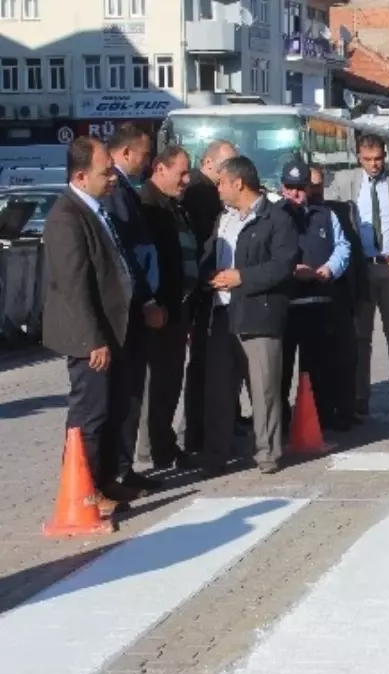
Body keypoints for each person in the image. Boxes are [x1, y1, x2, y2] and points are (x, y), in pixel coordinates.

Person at [43, 136, 149, 512]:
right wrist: (93, 340)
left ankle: (103, 482)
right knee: (91, 415)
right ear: (81, 174)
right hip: (90, 339)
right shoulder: (65, 217)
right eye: (106, 173)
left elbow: (118, 266)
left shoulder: (96, 209)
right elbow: (74, 287)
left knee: (114, 409)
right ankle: (82, 492)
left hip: (114, 331)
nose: (113, 179)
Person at [202, 156, 300, 475]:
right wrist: (208, 276)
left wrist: (241, 277)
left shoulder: (276, 219)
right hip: (221, 314)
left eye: (221, 182)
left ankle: (267, 452)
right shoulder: (223, 219)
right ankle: (215, 455)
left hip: (260, 313)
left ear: (238, 183)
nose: (217, 189)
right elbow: (210, 255)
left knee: (264, 389)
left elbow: (282, 265)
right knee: (218, 390)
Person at [326, 133, 389, 417]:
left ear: (385, 156)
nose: (374, 165)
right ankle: (360, 394)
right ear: (358, 157)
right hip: (361, 266)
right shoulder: (343, 183)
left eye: (378, 159)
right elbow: (331, 220)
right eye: (368, 159)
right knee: (361, 336)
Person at [102, 122, 166, 493]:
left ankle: (124, 468)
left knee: (132, 392)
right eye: (144, 155)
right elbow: (127, 256)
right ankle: (117, 472)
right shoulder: (115, 193)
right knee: (122, 396)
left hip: (139, 305)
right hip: (130, 308)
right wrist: (147, 299)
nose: (148, 162)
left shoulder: (127, 190)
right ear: (126, 153)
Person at [137, 145, 199, 469]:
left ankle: (163, 446)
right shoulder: (148, 205)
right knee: (159, 385)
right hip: (160, 311)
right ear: (160, 169)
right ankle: (156, 450)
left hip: (178, 308)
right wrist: (153, 302)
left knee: (169, 383)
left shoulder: (174, 205)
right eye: (181, 172)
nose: (187, 179)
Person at [278, 160, 351, 433]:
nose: (295, 194)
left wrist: (328, 269)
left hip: (319, 303)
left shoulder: (325, 215)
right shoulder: (274, 215)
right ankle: (282, 423)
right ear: (281, 187)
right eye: (289, 188)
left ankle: (322, 419)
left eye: (300, 188)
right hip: (286, 306)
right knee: (280, 372)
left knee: (320, 368)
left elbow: (342, 247)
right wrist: (290, 270)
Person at [180, 139, 237, 456]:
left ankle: (211, 425)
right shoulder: (202, 193)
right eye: (227, 164)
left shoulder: (206, 191)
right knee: (203, 366)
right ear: (210, 162)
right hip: (205, 291)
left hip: (208, 287)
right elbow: (206, 244)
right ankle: (198, 432)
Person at [309, 165, 363, 430]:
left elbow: (351, 250)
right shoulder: (293, 214)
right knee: (316, 360)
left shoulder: (340, 212)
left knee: (346, 355)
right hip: (307, 300)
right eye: (311, 185)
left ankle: (346, 409)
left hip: (339, 294)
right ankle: (320, 412)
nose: (315, 191)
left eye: (319, 185)